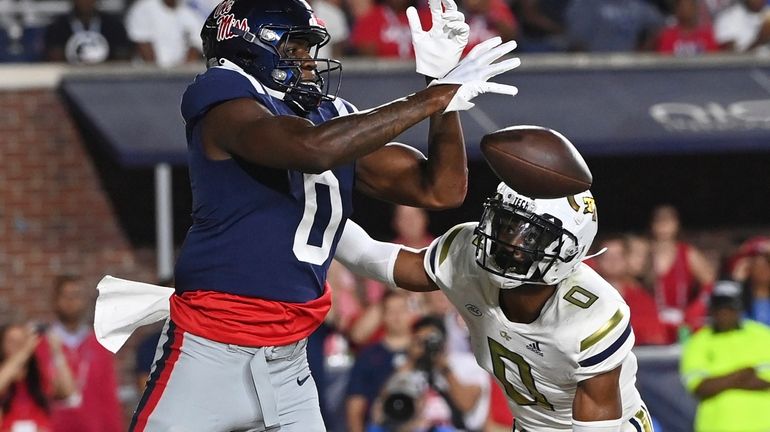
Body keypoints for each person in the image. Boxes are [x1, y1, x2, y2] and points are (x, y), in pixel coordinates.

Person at [127, 0, 520, 430]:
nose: (310, 64)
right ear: (247, 48)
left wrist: (445, 95)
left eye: (310, 50)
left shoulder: (330, 117)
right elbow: (311, 150)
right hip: (209, 350)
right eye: (294, 49)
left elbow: (440, 189)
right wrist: (428, 98)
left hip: (290, 363)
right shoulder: (221, 93)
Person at [335, 183, 654, 431]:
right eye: (505, 223)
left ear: (568, 248)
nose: (508, 241)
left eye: (529, 236)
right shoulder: (466, 257)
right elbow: (371, 257)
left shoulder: (592, 314)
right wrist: (316, 211)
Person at [367, 315, 488, 431]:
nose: (426, 347)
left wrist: (443, 367)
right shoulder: (405, 366)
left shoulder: (468, 364)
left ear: (444, 340)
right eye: (420, 341)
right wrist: (411, 362)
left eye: (431, 341)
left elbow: (466, 405)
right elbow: (386, 407)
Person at [680, 280, 770, 432]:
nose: (724, 314)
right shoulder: (698, 342)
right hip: (715, 427)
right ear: (711, 310)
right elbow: (700, 387)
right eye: (719, 308)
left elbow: (766, 381)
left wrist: (721, 381)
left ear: (740, 308)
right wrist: (742, 375)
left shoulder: (762, 335)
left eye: (729, 308)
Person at [46, 275, 123, 432]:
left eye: (76, 296)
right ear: (55, 300)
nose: (71, 302)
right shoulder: (42, 343)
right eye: (65, 296)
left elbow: (108, 397)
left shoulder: (99, 345)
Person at [346, 291, 414, 432]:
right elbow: (355, 406)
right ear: (383, 316)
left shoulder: (424, 352)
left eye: (402, 309)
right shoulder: (368, 355)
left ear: (411, 312)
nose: (397, 316)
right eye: (391, 311)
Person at [648, 205, 715, 343]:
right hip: (652, 326)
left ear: (677, 224)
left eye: (669, 220)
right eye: (659, 221)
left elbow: (710, 283)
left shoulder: (688, 254)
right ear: (652, 225)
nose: (664, 225)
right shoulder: (644, 253)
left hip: (683, 325)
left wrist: (696, 310)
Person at [0, 322, 75, 432]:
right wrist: (24, 351)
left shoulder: (39, 373)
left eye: (21, 341)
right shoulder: (4, 374)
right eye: (12, 341)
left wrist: (57, 352)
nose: (18, 345)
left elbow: (68, 392)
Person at [44, 0, 133, 64]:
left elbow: (122, 60)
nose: (86, 1)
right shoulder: (58, 26)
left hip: (107, 81)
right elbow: (55, 60)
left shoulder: (113, 25)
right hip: (70, 79)